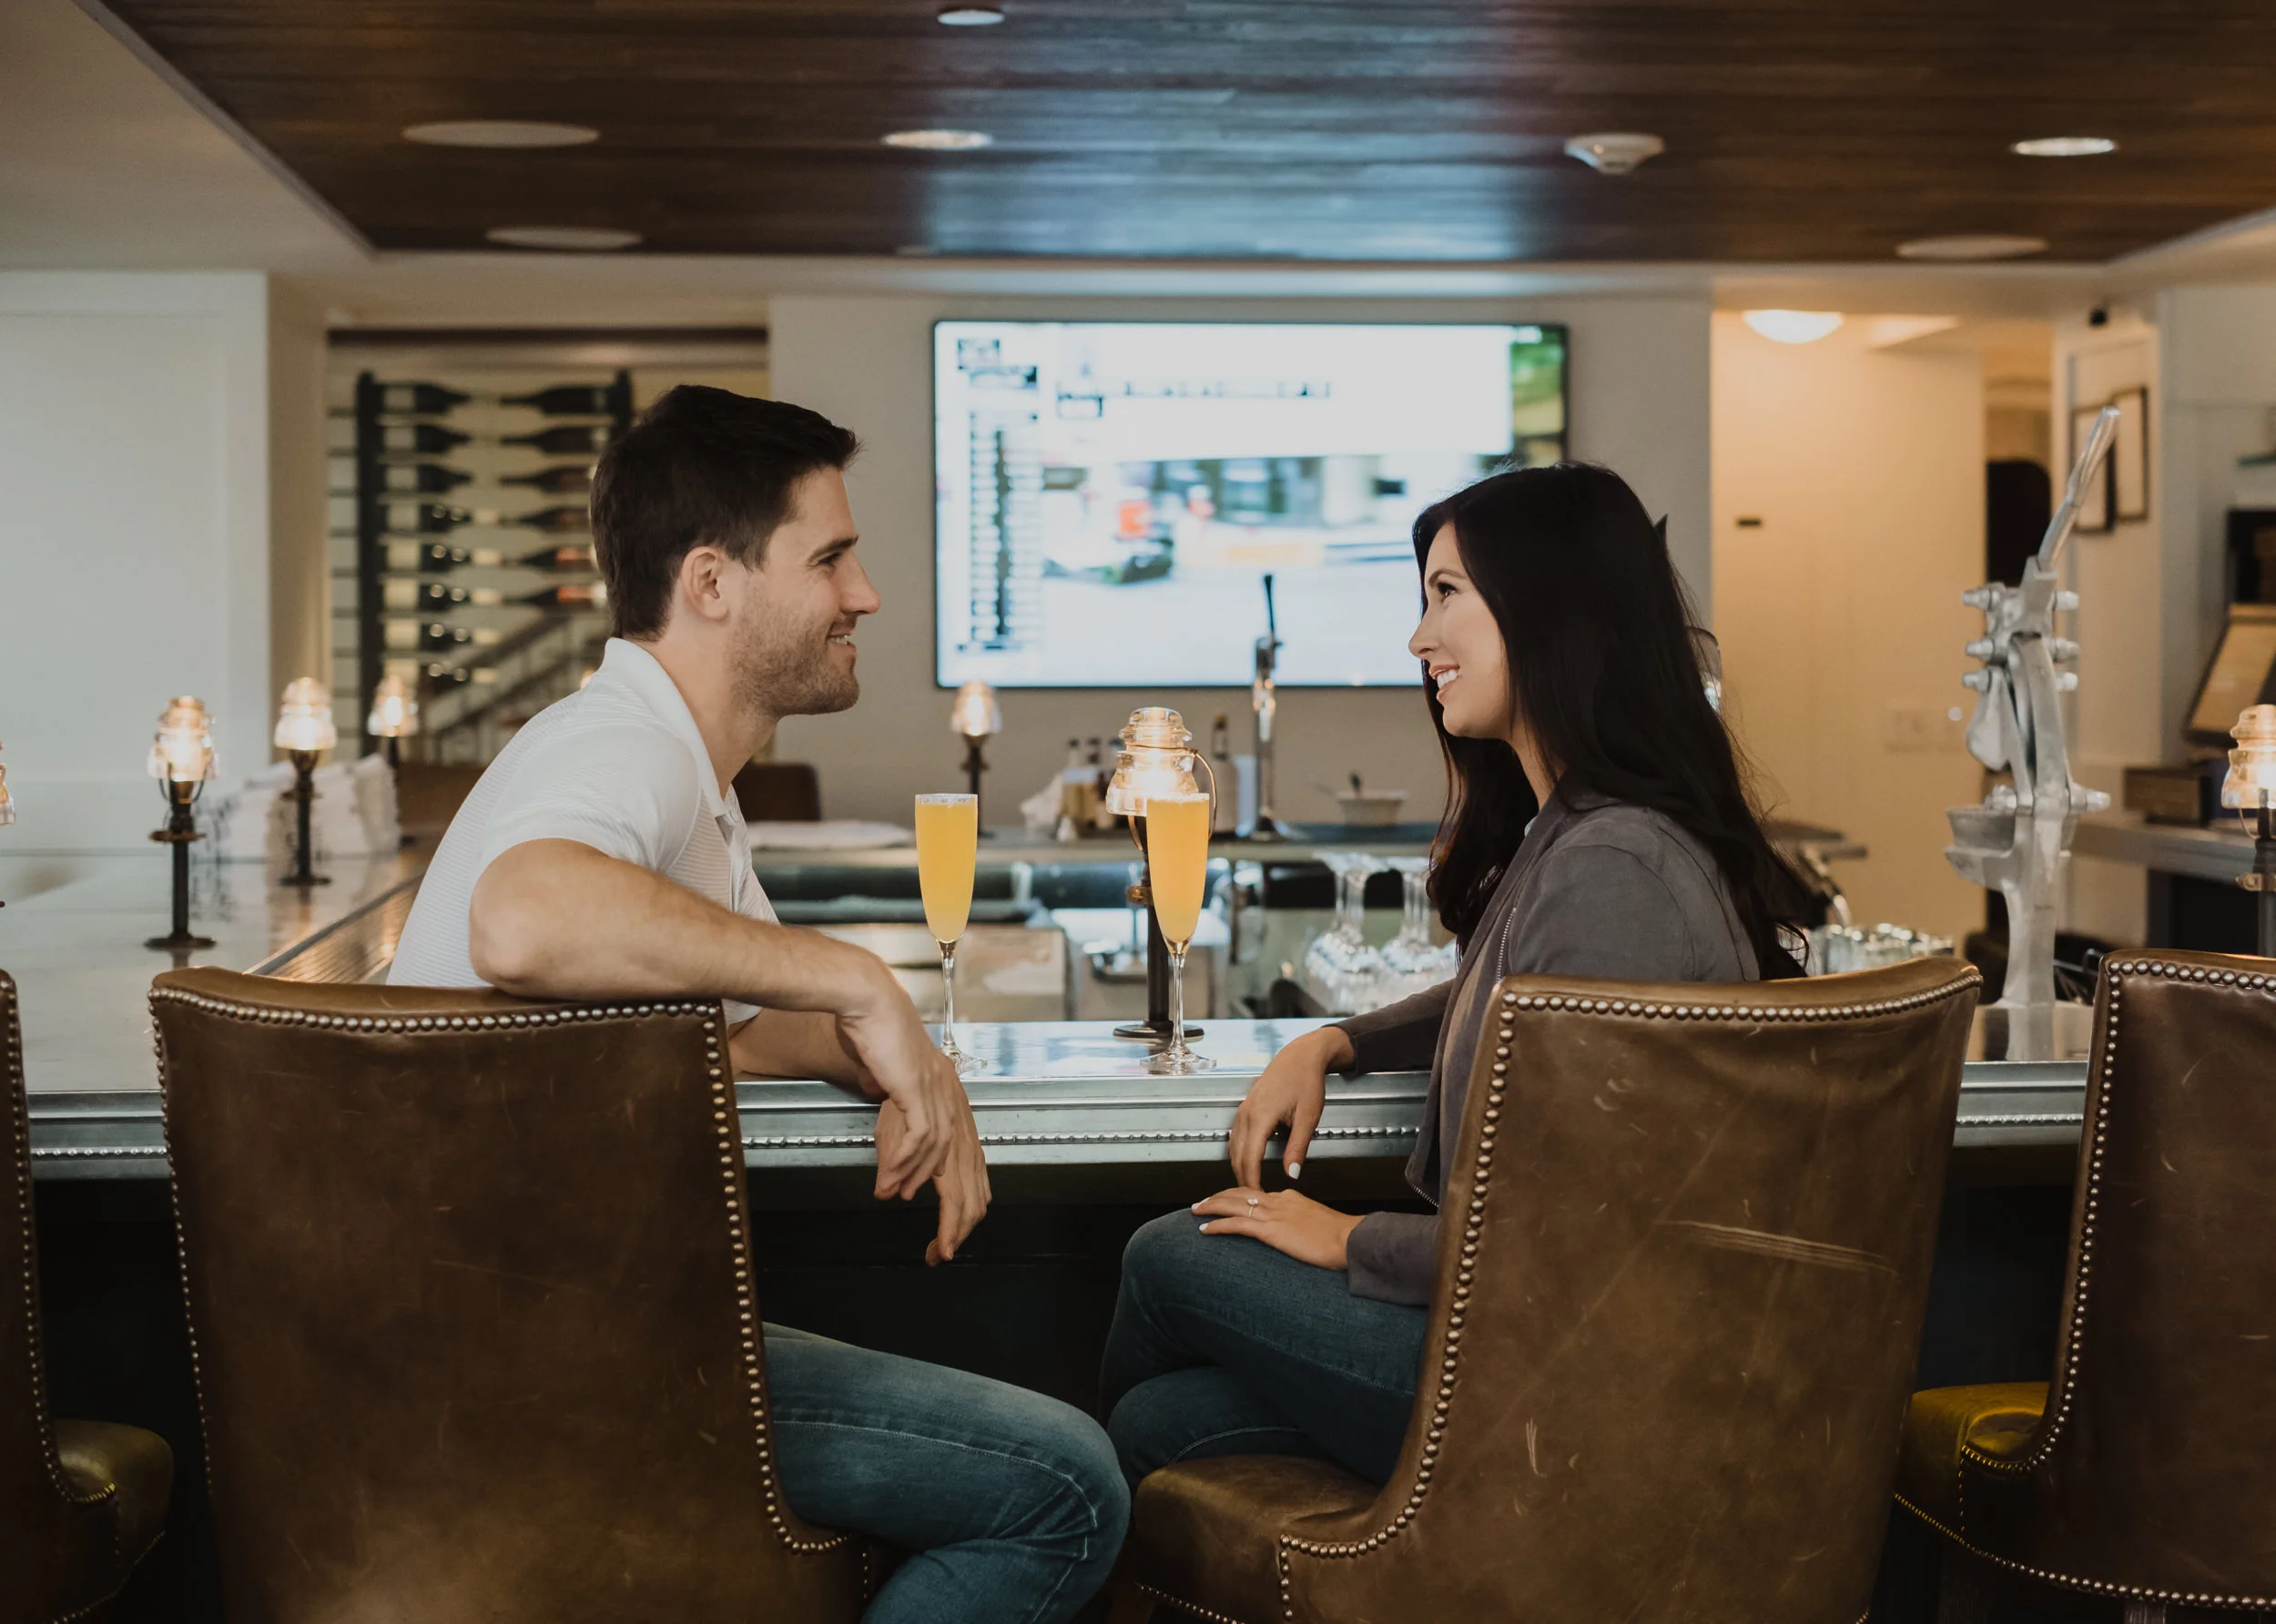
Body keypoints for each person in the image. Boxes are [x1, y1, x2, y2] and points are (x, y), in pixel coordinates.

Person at [388, 385, 1126, 1624]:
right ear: (713, 583)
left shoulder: (679, 770)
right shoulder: (620, 746)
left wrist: (890, 1058)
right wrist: (856, 979)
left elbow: (706, 1024)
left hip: (530, 1338)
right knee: (1065, 1490)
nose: (867, 595)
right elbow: (521, 917)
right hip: (536, 1363)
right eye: (831, 557)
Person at [1099, 462, 1812, 1489]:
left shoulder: (1613, 866)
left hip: (1566, 1378)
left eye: (1446, 595)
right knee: (1162, 1422)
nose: (1418, 639)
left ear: (1549, 610)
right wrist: (1336, 1040)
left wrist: (1351, 1239)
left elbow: (1572, 1231)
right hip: (1543, 1341)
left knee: (1169, 1255)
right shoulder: (1586, 834)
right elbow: (1520, 1000)